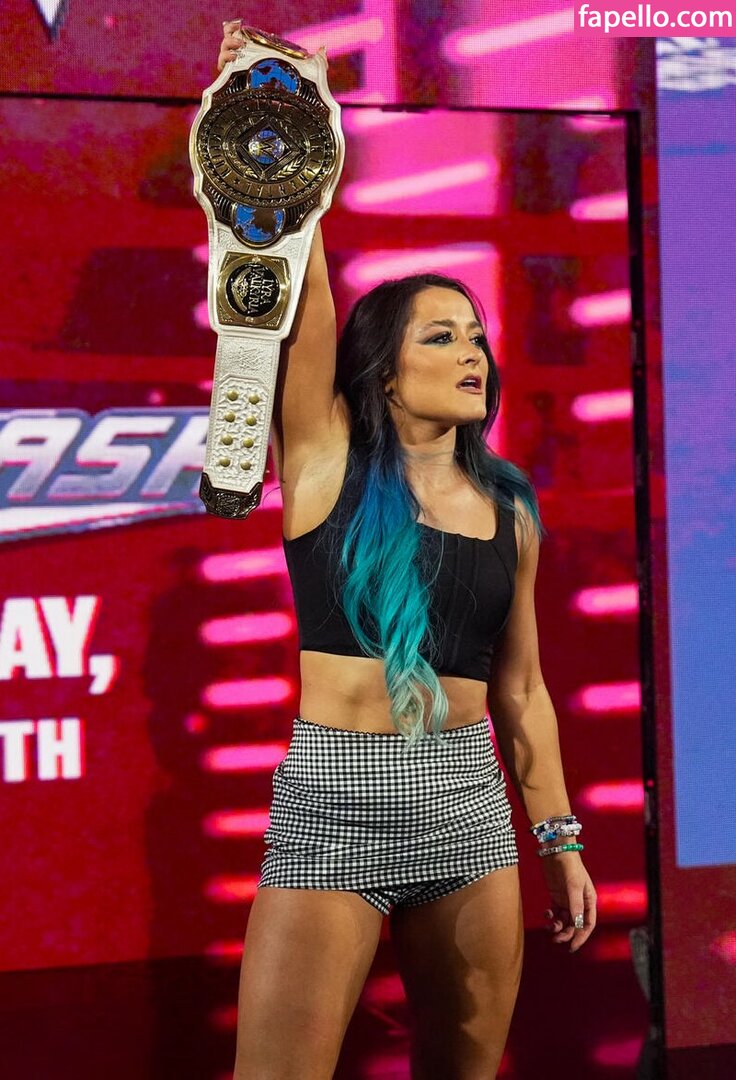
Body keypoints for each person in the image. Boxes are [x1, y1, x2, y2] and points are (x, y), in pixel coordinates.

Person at [216, 21, 598, 1080]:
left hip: (467, 811)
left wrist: (560, 841)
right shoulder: (325, 459)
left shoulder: (509, 506)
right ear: (383, 370)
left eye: (476, 337)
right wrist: (284, 106)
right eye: (441, 336)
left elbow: (523, 691)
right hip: (333, 805)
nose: (473, 353)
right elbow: (303, 290)